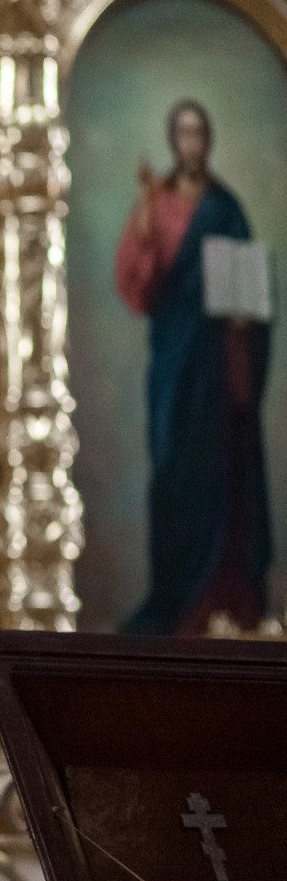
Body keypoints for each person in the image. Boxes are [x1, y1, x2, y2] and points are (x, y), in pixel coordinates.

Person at [115, 98, 273, 633]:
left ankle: (227, 599)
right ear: (172, 140)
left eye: (198, 132)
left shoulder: (225, 208)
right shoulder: (156, 202)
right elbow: (138, 282)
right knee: (173, 470)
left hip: (218, 364)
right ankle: (175, 600)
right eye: (183, 133)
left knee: (223, 473)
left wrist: (245, 320)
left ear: (208, 140)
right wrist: (144, 212)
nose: (191, 143)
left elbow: (250, 282)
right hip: (175, 362)